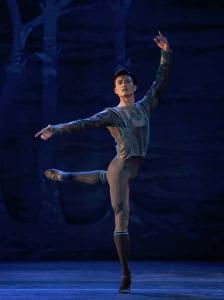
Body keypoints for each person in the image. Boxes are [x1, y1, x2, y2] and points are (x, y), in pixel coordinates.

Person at [35, 31, 172, 293]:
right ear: (115, 89)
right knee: (121, 216)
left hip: (126, 168)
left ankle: (66, 176)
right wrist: (56, 127)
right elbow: (84, 123)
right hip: (121, 168)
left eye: (128, 81)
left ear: (134, 87)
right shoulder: (111, 114)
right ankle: (125, 274)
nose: (124, 84)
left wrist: (165, 53)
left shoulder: (144, 106)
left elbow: (161, 81)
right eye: (119, 82)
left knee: (105, 177)